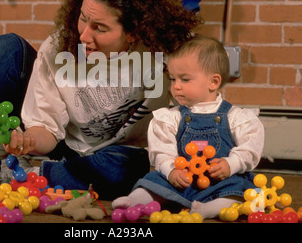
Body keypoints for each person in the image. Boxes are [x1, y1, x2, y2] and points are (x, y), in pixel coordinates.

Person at [0, 0, 202, 200]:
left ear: (132, 32)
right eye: (83, 18)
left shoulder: (164, 55)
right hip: (64, 148)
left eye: (100, 28)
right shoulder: (61, 47)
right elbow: (47, 130)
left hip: (118, 155)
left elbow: (202, 107)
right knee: (5, 49)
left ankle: (21, 176)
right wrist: (26, 140)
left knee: (124, 168)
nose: (83, 34)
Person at [112, 35, 264, 217]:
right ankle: (134, 200)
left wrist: (231, 164)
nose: (176, 86)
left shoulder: (236, 117)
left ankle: (208, 210)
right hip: (182, 179)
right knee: (153, 181)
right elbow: (162, 151)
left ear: (213, 82)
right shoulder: (171, 118)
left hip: (221, 180)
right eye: (173, 79)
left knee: (244, 191)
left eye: (184, 80)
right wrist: (171, 171)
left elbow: (250, 148)